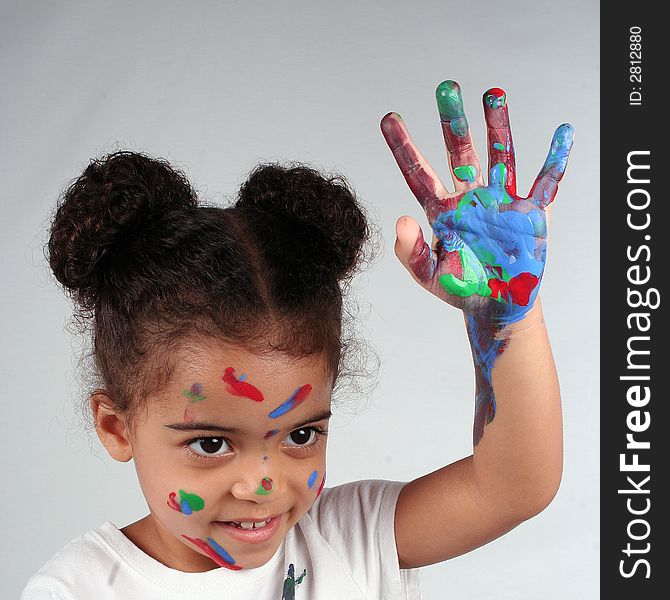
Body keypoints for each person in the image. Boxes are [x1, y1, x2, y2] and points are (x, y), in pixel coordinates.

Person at [21, 80, 573, 599]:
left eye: (301, 435)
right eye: (211, 444)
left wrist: (507, 320)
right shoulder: (80, 589)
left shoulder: (346, 541)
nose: (262, 486)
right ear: (117, 427)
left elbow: (515, 487)